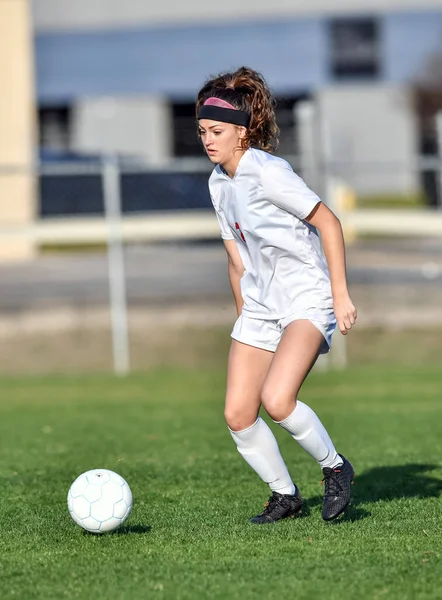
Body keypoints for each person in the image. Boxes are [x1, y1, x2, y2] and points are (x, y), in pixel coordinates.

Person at [196, 66, 357, 523]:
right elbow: (236, 259)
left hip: (307, 295)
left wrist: (340, 295)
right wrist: (245, 316)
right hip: (261, 305)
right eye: (203, 131)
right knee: (237, 412)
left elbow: (329, 222)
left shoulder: (267, 171)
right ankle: (285, 496)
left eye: (218, 131)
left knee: (278, 400)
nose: (208, 139)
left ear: (243, 133)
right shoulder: (217, 184)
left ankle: (335, 467)